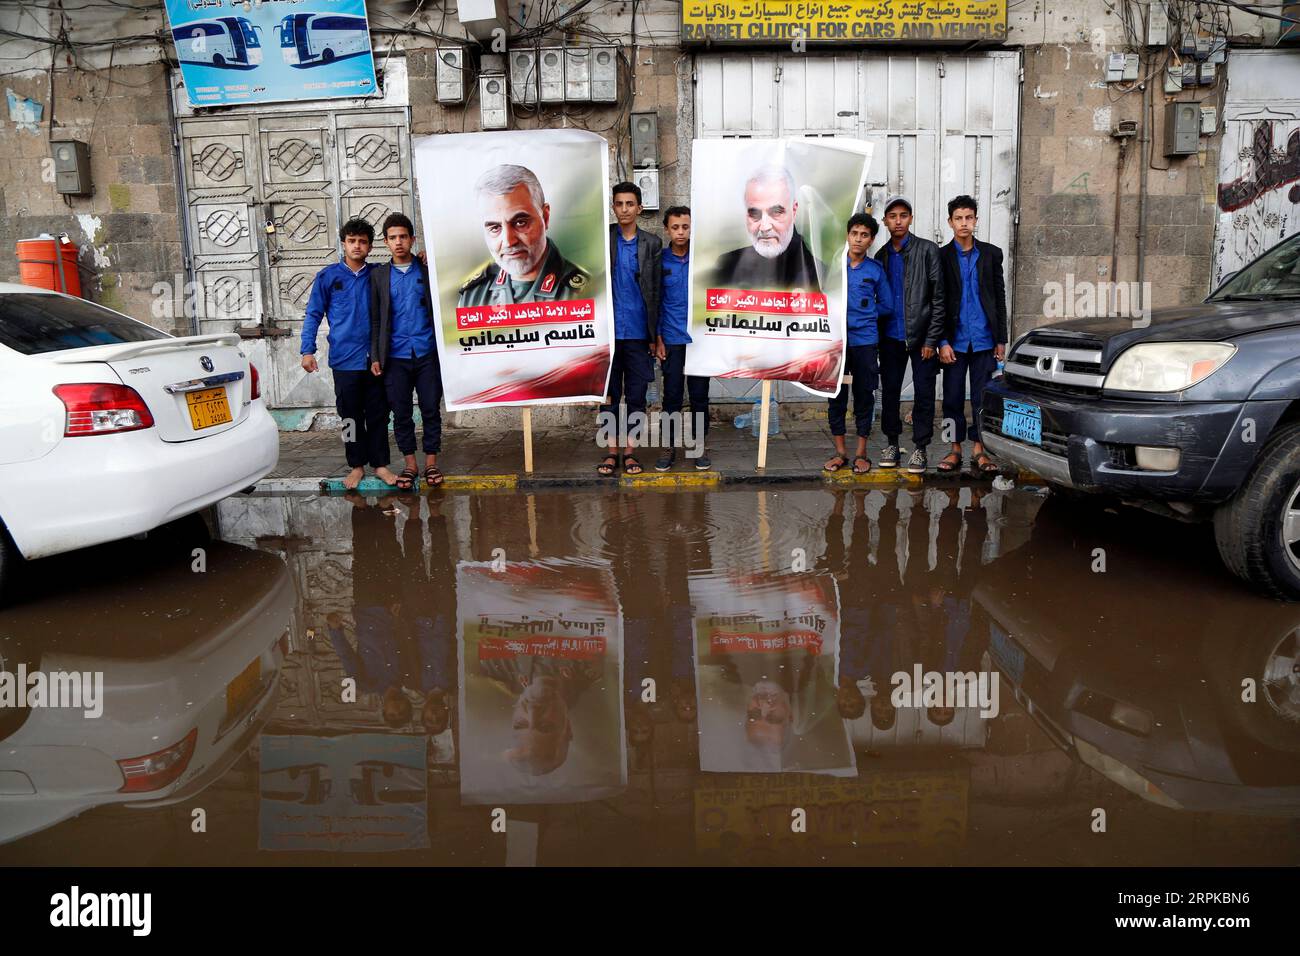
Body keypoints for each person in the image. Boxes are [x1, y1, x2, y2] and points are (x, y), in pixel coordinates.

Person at [301, 218, 398, 490]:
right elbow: (313, 314)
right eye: (352, 241)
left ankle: (380, 464)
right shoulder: (328, 277)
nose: (357, 246)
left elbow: (405, 269)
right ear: (343, 244)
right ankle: (355, 465)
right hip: (344, 360)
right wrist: (308, 349)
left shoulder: (379, 274)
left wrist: (423, 258)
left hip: (375, 359)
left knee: (379, 414)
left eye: (363, 241)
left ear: (370, 246)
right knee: (349, 417)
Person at [369, 212, 444, 491]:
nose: (398, 242)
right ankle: (411, 464)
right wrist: (375, 356)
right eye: (393, 238)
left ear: (412, 239)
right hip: (395, 357)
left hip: (426, 353)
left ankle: (431, 463)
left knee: (430, 409)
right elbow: (376, 319)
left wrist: (431, 256)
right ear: (386, 242)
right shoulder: (378, 276)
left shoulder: (426, 270)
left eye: (403, 237)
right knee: (400, 413)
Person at [874, 195, 947, 475]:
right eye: (893, 216)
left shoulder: (928, 250)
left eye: (903, 215)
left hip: (921, 338)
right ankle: (891, 443)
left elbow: (939, 299)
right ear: (885, 222)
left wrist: (931, 340)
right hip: (891, 338)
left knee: (924, 393)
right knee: (890, 393)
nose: (898, 221)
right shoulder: (880, 257)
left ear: (911, 218)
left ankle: (920, 448)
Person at [937, 195, 1008, 476]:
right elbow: (937, 301)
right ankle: (953, 448)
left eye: (969, 218)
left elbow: (999, 298)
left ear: (976, 220)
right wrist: (941, 340)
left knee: (982, 398)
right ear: (950, 222)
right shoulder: (941, 256)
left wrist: (1001, 339)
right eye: (958, 218)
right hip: (953, 341)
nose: (964, 223)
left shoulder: (991, 254)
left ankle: (980, 449)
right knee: (952, 397)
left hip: (984, 340)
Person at [597, 181, 662, 477]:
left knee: (636, 396)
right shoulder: (603, 239)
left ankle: (631, 452)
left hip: (638, 333)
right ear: (613, 206)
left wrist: (656, 335)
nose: (624, 209)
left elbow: (657, 292)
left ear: (639, 208)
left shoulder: (651, 243)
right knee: (609, 396)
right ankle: (612, 453)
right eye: (618, 204)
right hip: (609, 334)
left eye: (629, 204)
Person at [457, 164, 591, 307]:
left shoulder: (585, 293)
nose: (508, 241)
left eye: (520, 223)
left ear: (545, 218)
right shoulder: (473, 296)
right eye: (495, 228)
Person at [824, 213, 893, 476]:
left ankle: (861, 452)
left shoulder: (875, 270)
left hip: (865, 342)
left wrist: (866, 312)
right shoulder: (834, 265)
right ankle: (840, 452)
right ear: (847, 235)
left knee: (865, 394)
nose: (858, 239)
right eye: (854, 233)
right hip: (837, 342)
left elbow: (886, 305)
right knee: (836, 395)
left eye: (864, 235)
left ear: (871, 240)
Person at [654, 205, 711, 471]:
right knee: (672, 396)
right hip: (672, 338)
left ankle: (699, 446)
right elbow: (655, 301)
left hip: (700, 339)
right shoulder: (659, 260)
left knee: (700, 396)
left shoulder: (702, 260)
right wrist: (658, 337)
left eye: (685, 227)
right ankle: (668, 446)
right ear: (667, 229)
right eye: (675, 227)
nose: (680, 232)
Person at [708, 164, 823, 291]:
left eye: (776, 212)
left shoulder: (820, 276)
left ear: (794, 210)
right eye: (754, 214)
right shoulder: (727, 267)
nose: (764, 227)